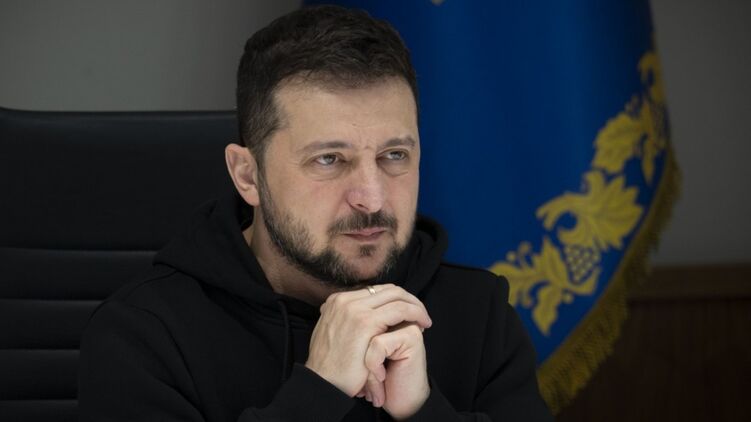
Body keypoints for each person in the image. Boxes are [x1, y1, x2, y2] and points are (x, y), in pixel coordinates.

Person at [78, 5, 552, 421]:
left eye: (394, 156)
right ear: (247, 175)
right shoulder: (143, 334)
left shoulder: (480, 315)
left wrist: (424, 413)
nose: (371, 198)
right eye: (329, 160)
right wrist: (317, 393)